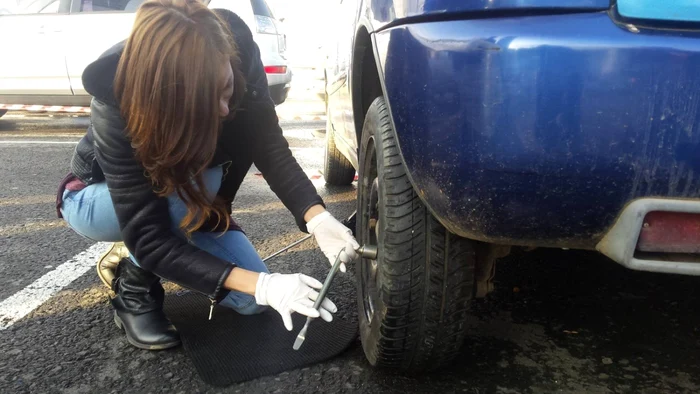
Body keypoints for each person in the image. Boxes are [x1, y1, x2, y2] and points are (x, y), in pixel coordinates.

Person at [55, 0, 359, 350]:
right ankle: (134, 290)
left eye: (225, 89)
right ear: (165, 96)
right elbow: (151, 238)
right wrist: (263, 282)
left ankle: (167, 239)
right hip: (98, 200)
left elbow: (268, 145)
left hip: (190, 197)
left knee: (251, 303)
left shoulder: (234, 47)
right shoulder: (117, 102)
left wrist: (317, 218)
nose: (225, 110)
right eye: (205, 101)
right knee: (186, 200)